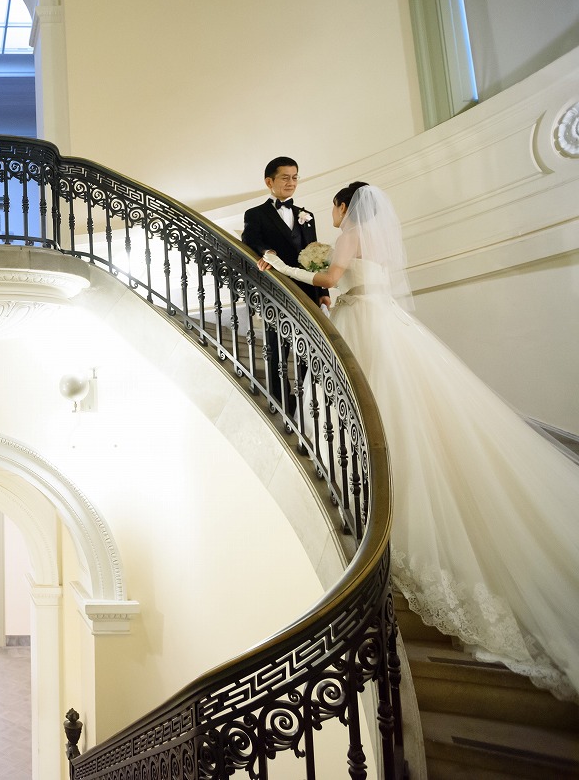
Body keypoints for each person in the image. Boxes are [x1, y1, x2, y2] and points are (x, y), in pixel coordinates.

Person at [261, 181, 579, 700]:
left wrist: (282, 266)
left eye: (336, 207)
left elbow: (331, 276)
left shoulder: (351, 234)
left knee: (357, 406)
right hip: (388, 323)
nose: (334, 216)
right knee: (401, 412)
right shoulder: (381, 238)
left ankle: (367, 503)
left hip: (361, 324)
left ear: (346, 206)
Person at [242, 157, 329, 413]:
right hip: (275, 292)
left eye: (295, 177)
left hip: (307, 292)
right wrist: (265, 251)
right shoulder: (255, 214)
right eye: (285, 177)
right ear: (269, 181)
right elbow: (250, 238)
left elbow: (315, 254)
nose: (291, 182)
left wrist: (322, 292)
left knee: (307, 350)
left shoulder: (307, 216)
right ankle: (280, 404)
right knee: (277, 349)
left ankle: (307, 405)